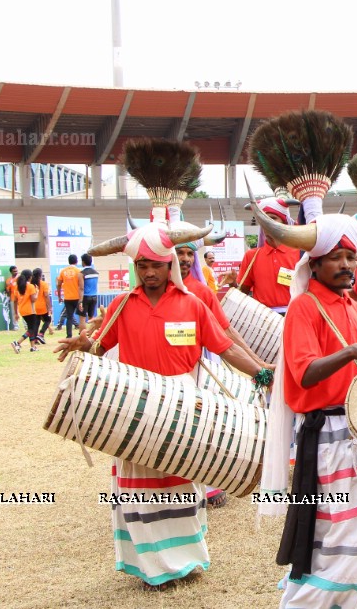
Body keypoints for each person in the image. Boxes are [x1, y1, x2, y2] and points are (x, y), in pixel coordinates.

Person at [54, 221, 268, 591]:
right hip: (134, 409)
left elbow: (225, 347)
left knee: (182, 479)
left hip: (183, 409)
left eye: (156, 264)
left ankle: (185, 561)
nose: (150, 272)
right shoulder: (121, 305)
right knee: (140, 486)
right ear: (135, 268)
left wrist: (263, 373)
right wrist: (83, 344)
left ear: (170, 264)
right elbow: (101, 349)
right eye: (142, 265)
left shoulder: (193, 303)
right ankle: (151, 566)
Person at [251, 206, 357, 608]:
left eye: (352, 256)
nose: (347, 264)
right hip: (328, 436)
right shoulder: (304, 307)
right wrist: (354, 351)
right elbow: (304, 373)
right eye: (336, 256)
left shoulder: (349, 303)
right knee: (345, 539)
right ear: (313, 264)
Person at [235, 197, 300, 313]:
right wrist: (231, 283)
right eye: (263, 219)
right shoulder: (251, 256)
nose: (268, 223)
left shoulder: (300, 253)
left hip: (295, 315)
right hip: (263, 320)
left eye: (273, 218)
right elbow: (241, 294)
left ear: (284, 222)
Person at [56, 254, 84, 339]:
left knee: (69, 317)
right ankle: (82, 334)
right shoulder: (78, 271)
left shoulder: (63, 271)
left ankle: (69, 335)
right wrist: (81, 299)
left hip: (68, 297)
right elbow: (81, 286)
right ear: (76, 261)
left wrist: (59, 296)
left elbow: (58, 284)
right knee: (81, 316)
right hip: (77, 297)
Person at [32, 268, 53, 342]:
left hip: (34, 307)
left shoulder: (31, 284)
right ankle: (41, 333)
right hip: (42, 306)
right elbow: (46, 296)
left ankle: (34, 339)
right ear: (40, 275)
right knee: (48, 320)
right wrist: (49, 307)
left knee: (36, 323)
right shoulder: (43, 284)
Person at [80, 253, 99, 331]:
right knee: (91, 317)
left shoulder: (82, 273)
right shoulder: (96, 273)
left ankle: (81, 334)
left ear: (83, 262)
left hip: (85, 296)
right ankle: (92, 333)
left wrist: (80, 301)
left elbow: (81, 288)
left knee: (82, 318)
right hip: (94, 296)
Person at [6, 265, 20, 331]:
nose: (16, 272)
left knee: (24, 311)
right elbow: (7, 290)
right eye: (14, 271)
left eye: (16, 271)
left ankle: (26, 325)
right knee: (14, 312)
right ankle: (16, 325)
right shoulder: (8, 280)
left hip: (21, 298)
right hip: (13, 298)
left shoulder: (20, 278)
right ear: (11, 272)